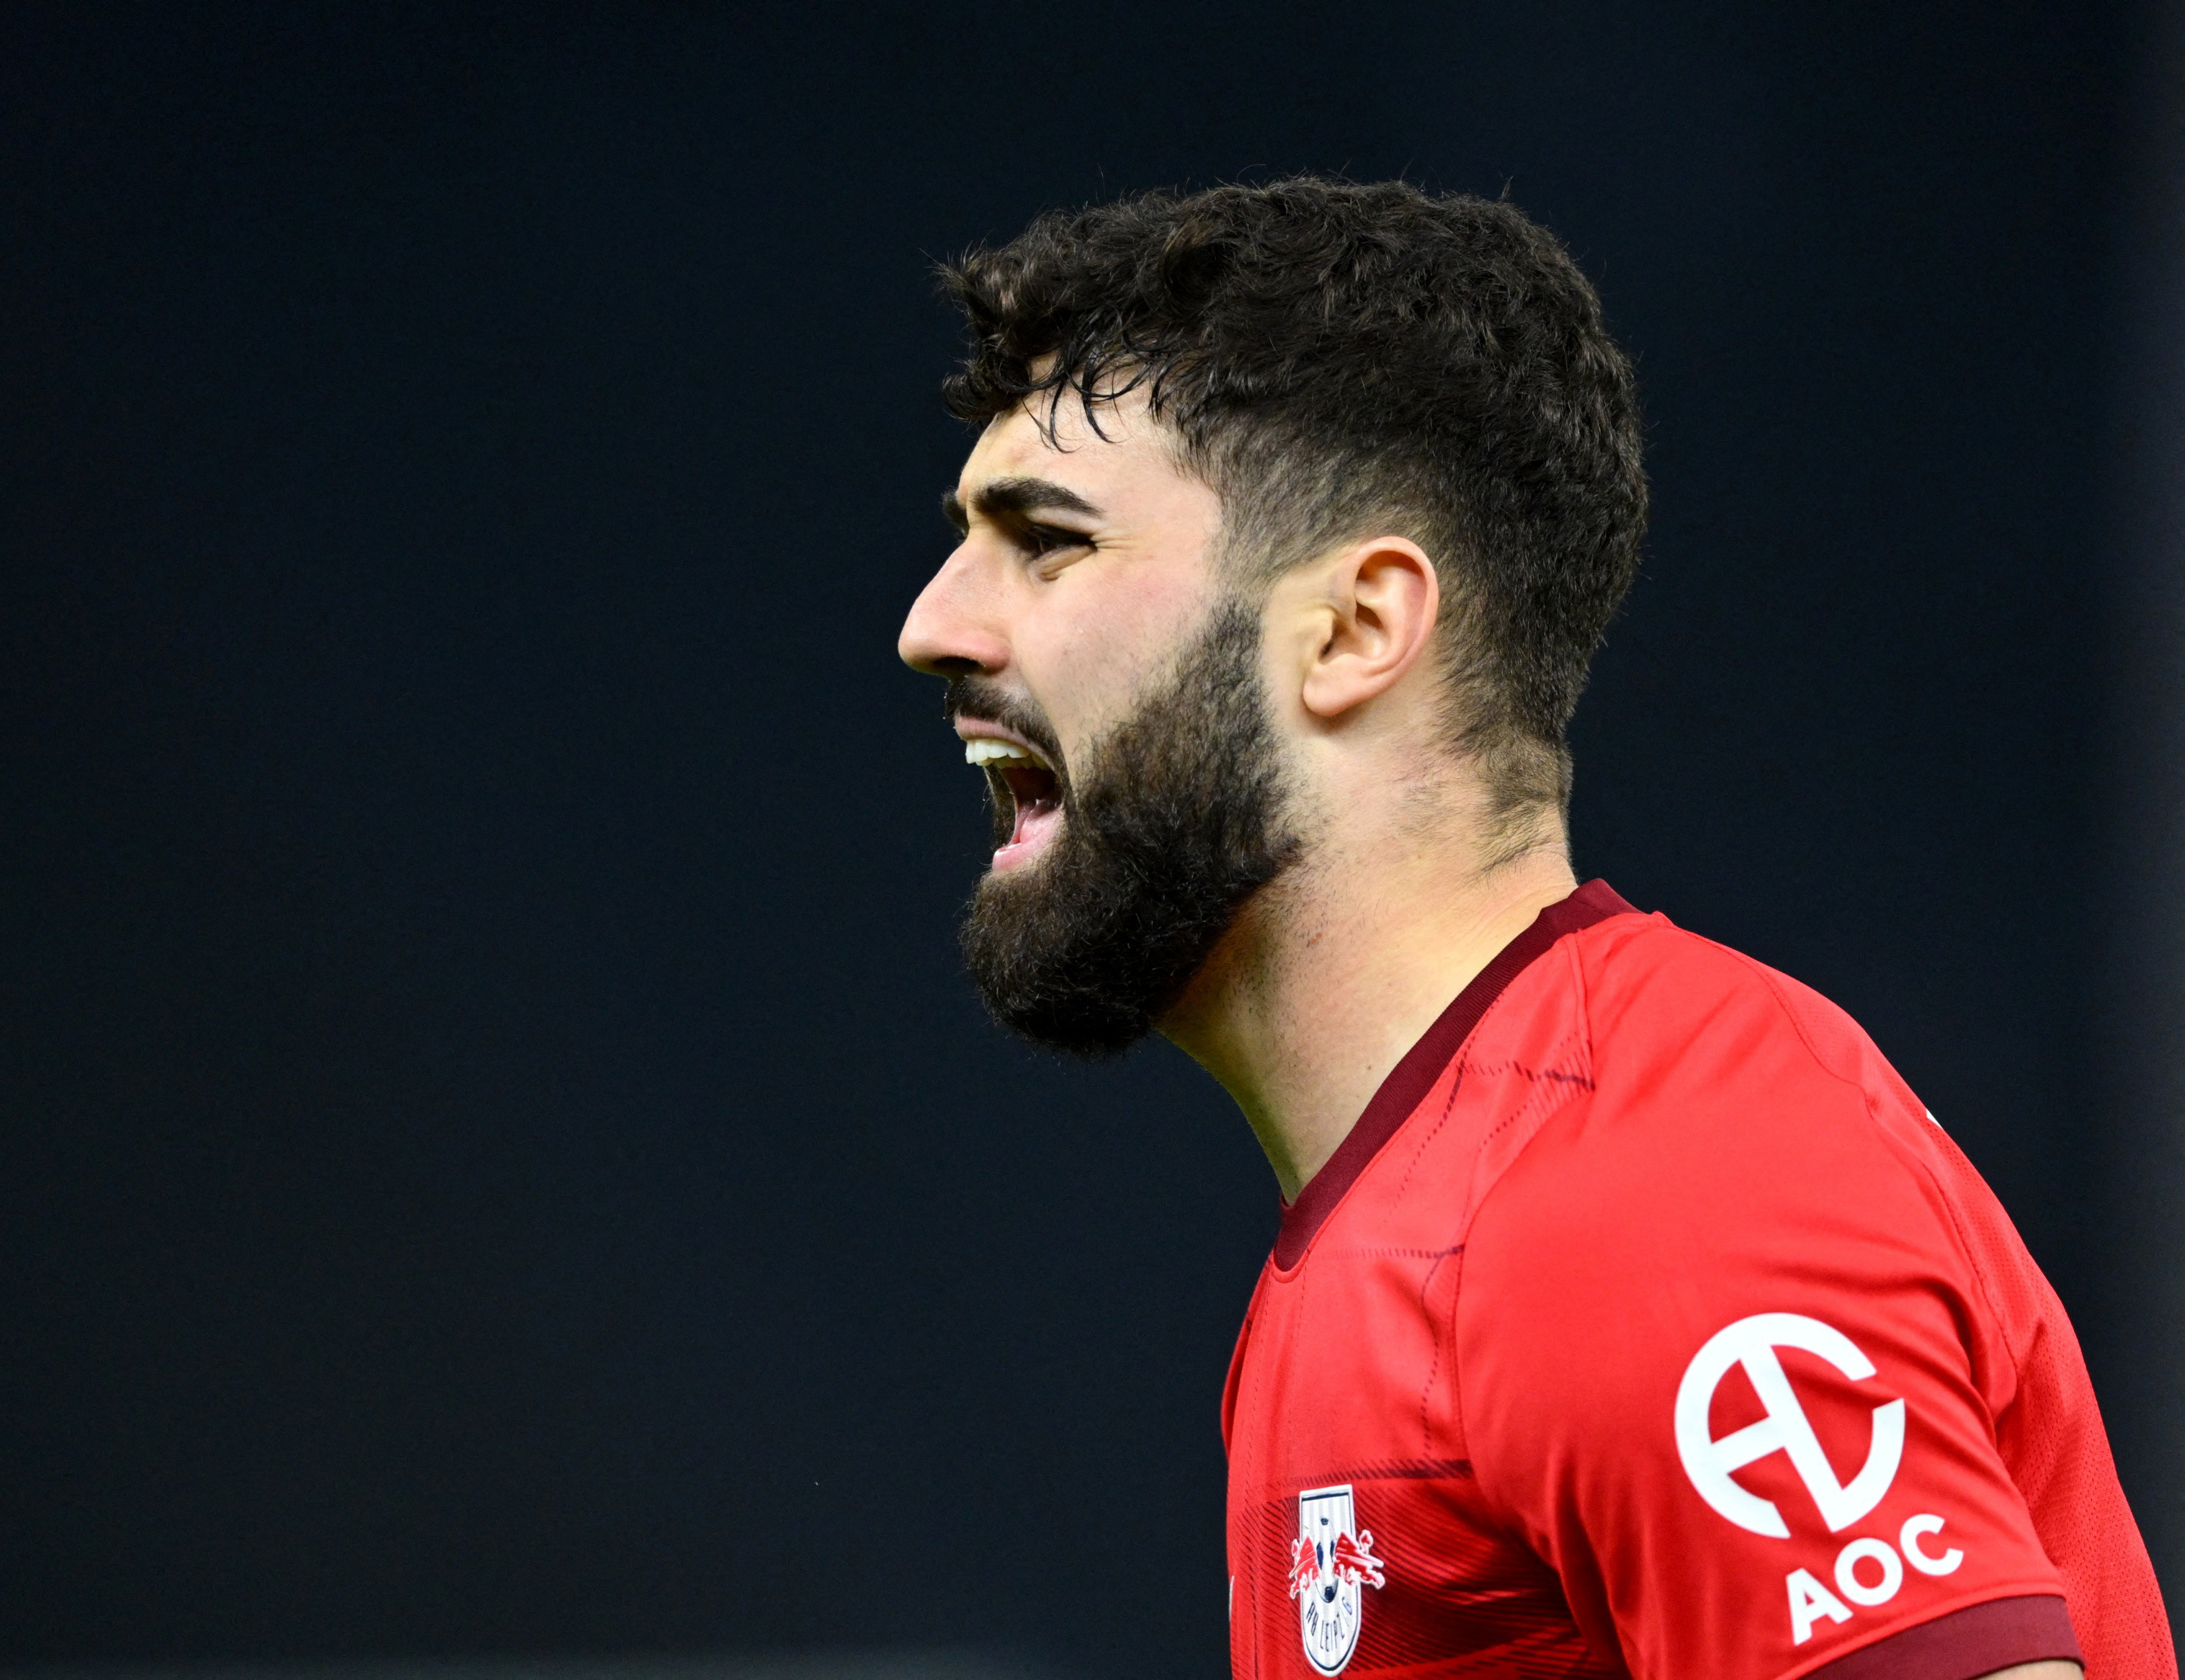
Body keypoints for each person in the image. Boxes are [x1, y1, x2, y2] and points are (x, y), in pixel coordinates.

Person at [897, 179, 2173, 1679]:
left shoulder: (1652, 1199)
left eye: (1047, 543)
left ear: (1359, 628)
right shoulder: (1392, 1234)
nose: (935, 622)